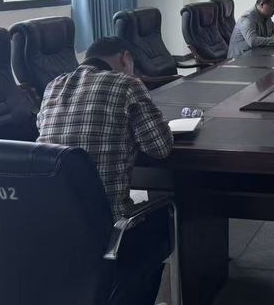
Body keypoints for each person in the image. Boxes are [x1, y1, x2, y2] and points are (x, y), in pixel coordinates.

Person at [37, 36, 173, 222]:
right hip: (112, 226)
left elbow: (42, 127)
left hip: (55, 221)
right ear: (126, 58)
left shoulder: (53, 86)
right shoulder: (127, 84)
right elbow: (160, 148)